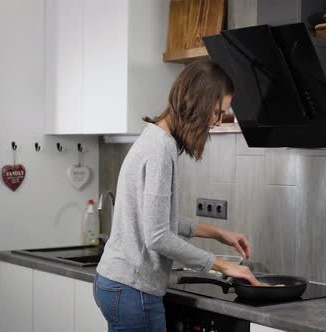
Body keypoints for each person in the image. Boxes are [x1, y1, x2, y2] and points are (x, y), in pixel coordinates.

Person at [93, 60, 260, 332]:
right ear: (196, 101)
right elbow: (158, 236)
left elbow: (157, 219)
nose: (217, 122)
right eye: (216, 112)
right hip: (134, 289)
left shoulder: (154, 137)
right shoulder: (161, 148)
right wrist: (220, 265)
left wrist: (219, 234)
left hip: (115, 282)